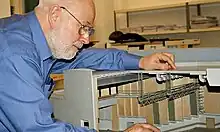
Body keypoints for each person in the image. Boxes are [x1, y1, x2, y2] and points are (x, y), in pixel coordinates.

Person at [0, 0, 176, 132]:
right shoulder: (15, 53)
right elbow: (39, 128)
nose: (86, 39)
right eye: (83, 28)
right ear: (55, 15)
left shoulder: (34, 36)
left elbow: (83, 58)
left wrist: (140, 62)